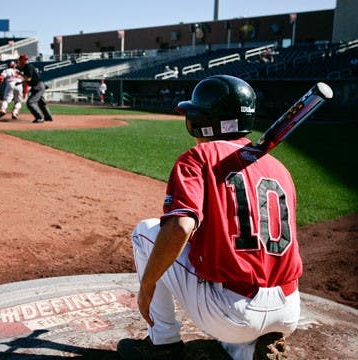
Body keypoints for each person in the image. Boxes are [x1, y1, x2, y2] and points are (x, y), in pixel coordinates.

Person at [117, 75, 302, 360]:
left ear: (200, 120)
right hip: (288, 308)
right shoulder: (278, 167)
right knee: (234, 265)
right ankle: (246, 350)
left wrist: (147, 286)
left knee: (146, 231)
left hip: (232, 313)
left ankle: (162, 343)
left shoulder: (198, 156)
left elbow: (180, 227)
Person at [17, 54, 53, 123]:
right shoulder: (28, 66)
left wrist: (21, 75)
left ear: (23, 60)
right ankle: (48, 117)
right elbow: (29, 78)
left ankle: (40, 118)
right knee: (41, 103)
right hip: (39, 85)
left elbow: (29, 78)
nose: (19, 61)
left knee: (30, 102)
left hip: (38, 86)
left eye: (20, 60)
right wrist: (21, 82)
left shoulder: (27, 66)